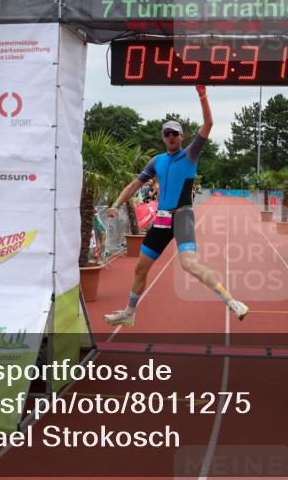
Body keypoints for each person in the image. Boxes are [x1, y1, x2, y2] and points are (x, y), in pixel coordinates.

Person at [103, 87, 248, 326]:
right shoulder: (156, 161)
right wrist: (116, 204)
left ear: (182, 137)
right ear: (163, 137)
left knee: (189, 264)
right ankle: (129, 312)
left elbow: (209, 124)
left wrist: (202, 96)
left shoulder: (190, 154)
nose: (171, 137)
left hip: (182, 218)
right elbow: (134, 184)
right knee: (140, 268)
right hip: (161, 220)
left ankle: (232, 301)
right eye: (167, 133)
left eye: (175, 133)